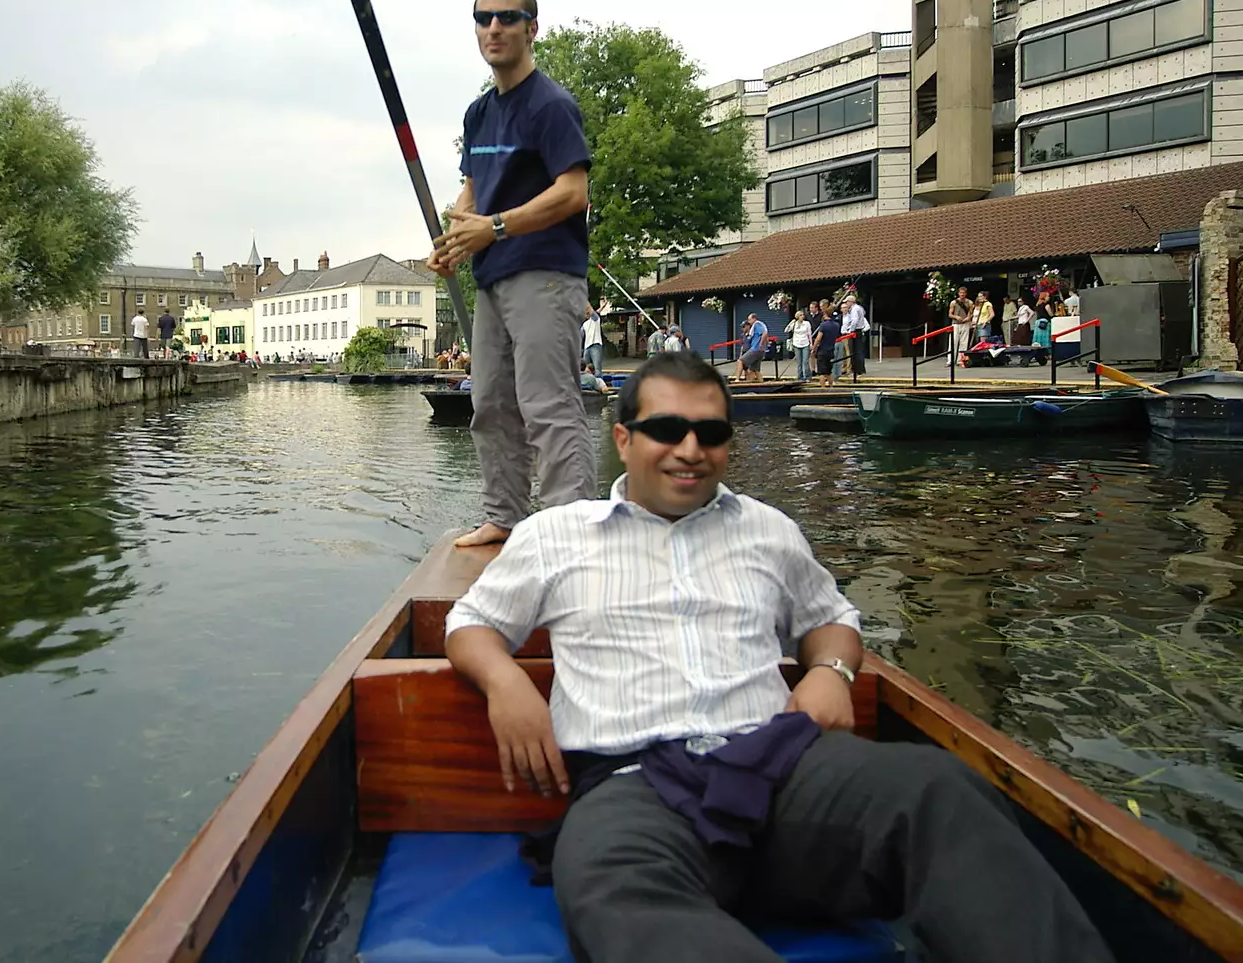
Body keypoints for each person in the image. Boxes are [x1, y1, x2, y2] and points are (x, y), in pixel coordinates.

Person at [443, 352, 1115, 963]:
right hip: (632, 785)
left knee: (935, 790)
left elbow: (831, 619)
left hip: (781, 766)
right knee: (608, 885)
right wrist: (505, 679)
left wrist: (830, 671)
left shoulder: (768, 530)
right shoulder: (554, 535)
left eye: (710, 433)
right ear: (624, 438)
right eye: (667, 429)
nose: (689, 449)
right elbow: (471, 621)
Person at [427, 0, 594, 549]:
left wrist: (493, 228)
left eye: (506, 18)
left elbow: (573, 192)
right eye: (482, 18)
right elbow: (474, 191)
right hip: (492, 278)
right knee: (491, 403)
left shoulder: (550, 105)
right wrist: (452, 240)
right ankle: (504, 519)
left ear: (531, 28)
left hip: (545, 274)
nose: (493, 28)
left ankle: (572, 532)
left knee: (548, 406)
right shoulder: (478, 115)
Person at [839, 296, 869, 376]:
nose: (846, 303)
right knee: (857, 351)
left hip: (856, 331)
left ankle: (858, 370)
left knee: (855, 352)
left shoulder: (854, 309)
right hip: (857, 331)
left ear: (851, 302)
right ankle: (859, 370)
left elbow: (854, 320)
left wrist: (851, 330)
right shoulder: (859, 308)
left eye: (847, 302)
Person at [812, 305, 840, 388]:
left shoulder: (823, 325)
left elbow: (818, 338)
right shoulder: (836, 325)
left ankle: (822, 388)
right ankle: (831, 387)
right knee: (828, 372)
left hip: (822, 350)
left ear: (826, 314)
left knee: (821, 372)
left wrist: (813, 348)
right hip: (831, 350)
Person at [948, 286, 974, 366]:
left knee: (964, 343)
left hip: (965, 324)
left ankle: (960, 360)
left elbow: (970, 313)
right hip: (955, 324)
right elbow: (950, 314)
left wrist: (967, 318)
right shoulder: (954, 302)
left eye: (964, 293)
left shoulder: (970, 302)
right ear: (958, 293)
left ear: (966, 293)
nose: (962, 294)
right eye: (961, 293)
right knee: (953, 342)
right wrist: (956, 317)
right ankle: (950, 360)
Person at [738, 313, 767, 383]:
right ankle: (761, 384)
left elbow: (765, 333)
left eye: (749, 319)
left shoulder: (757, 324)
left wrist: (761, 344)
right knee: (755, 370)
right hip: (759, 350)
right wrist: (765, 343)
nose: (749, 321)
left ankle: (737, 379)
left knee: (740, 361)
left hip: (755, 349)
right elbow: (765, 335)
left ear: (754, 319)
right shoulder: (759, 325)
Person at [785, 308, 811, 383]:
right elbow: (786, 330)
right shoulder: (794, 324)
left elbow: (809, 334)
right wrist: (791, 323)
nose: (802, 316)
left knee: (805, 361)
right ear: (797, 316)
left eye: (803, 315)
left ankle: (808, 376)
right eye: (801, 315)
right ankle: (800, 377)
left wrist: (811, 343)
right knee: (799, 362)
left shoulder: (807, 323)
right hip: (797, 344)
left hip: (805, 343)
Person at [582, 306, 605, 374]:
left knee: (597, 367)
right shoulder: (584, 324)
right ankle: (587, 381)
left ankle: (599, 382)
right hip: (587, 347)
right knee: (585, 367)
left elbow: (594, 313)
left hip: (596, 345)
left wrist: (602, 306)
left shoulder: (596, 320)